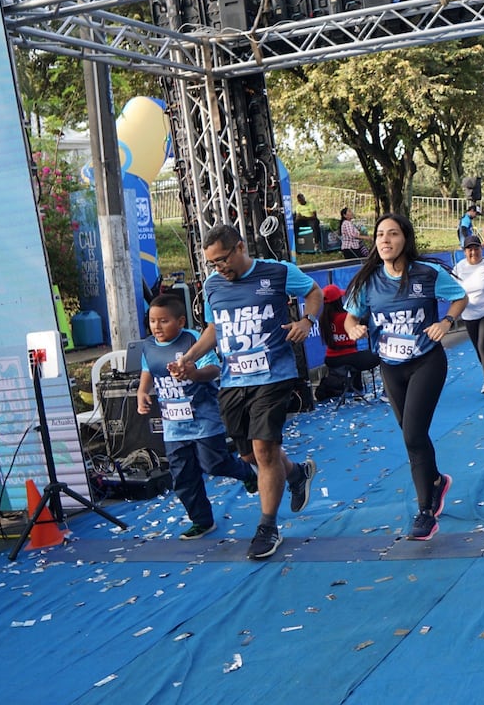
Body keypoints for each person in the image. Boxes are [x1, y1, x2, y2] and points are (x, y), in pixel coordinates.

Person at [175, 224, 322, 559]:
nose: (219, 268)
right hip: (232, 381)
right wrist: (189, 358)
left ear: (240, 248)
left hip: (274, 375)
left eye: (222, 259)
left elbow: (314, 292)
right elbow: (215, 328)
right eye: (212, 263)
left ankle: (268, 527)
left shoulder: (278, 272)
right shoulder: (213, 286)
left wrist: (306, 321)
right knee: (248, 456)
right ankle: (297, 474)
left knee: (265, 450)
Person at [343, 213, 467, 541]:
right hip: (390, 365)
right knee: (411, 435)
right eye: (380, 235)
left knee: (414, 433)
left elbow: (460, 297)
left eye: (393, 234)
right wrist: (353, 327)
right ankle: (436, 482)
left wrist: (447, 322)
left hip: (426, 360)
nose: (385, 240)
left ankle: (426, 511)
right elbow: (350, 317)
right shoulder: (367, 281)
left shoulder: (428, 274)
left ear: (404, 239)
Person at [136, 294, 258, 540]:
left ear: (180, 321)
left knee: (214, 464)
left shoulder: (193, 340)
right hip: (173, 426)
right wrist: (142, 392)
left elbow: (214, 370)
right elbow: (147, 370)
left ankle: (247, 472)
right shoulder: (148, 346)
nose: (157, 327)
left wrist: (194, 373)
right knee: (183, 477)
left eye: (164, 321)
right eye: (152, 321)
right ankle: (202, 521)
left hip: (203, 420)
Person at [316, 283, 380, 402]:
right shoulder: (345, 317)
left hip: (331, 358)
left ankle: (356, 389)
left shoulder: (323, 318)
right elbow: (364, 321)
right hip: (348, 356)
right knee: (380, 355)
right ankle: (359, 390)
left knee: (358, 356)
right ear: (338, 301)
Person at [452, 234, 484, 393]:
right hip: (469, 313)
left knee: (483, 344)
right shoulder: (459, 268)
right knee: (478, 348)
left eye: (476, 248)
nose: (473, 252)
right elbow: (452, 290)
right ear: (464, 252)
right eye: (469, 249)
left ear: (481, 249)